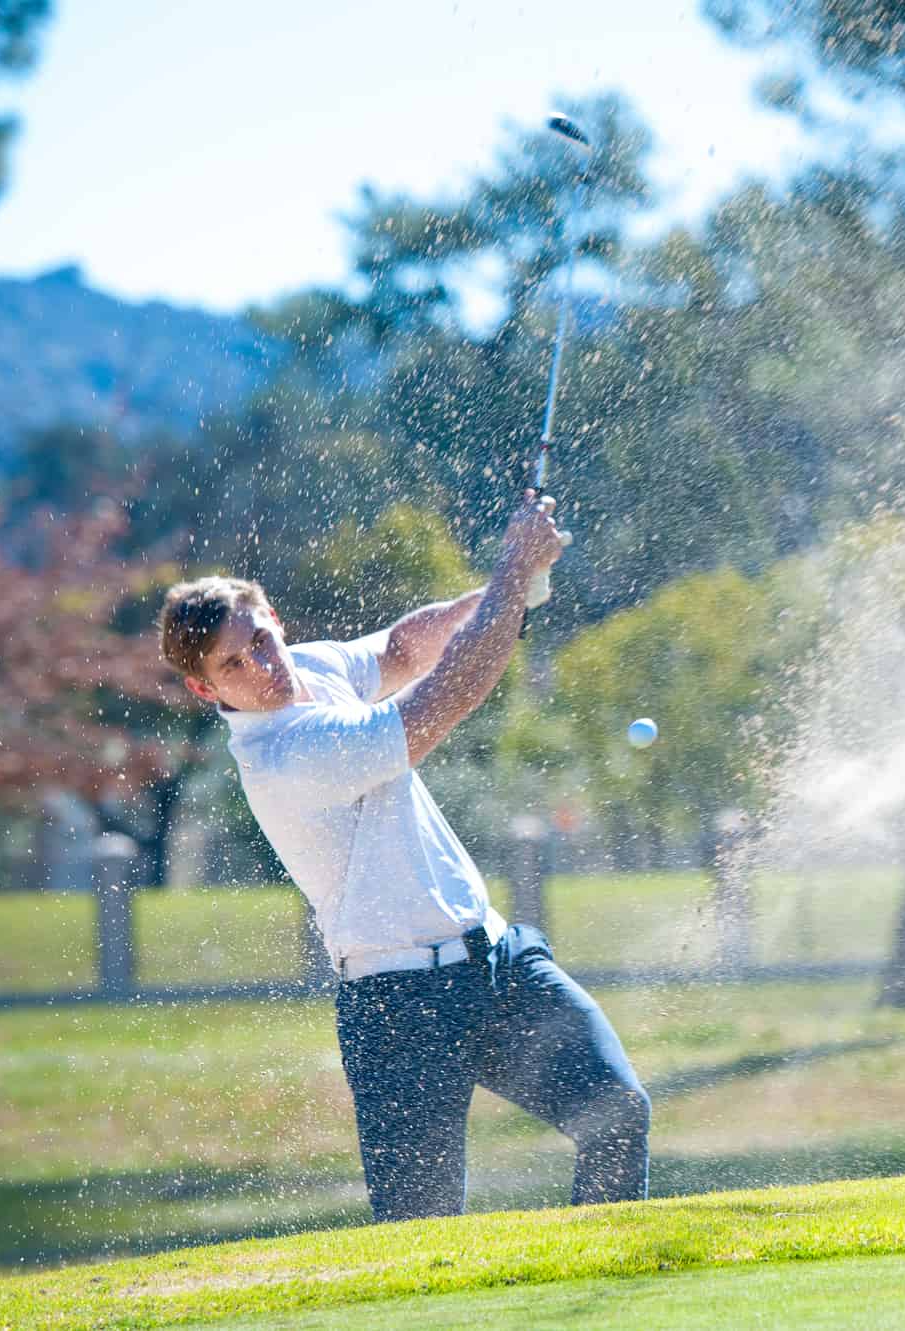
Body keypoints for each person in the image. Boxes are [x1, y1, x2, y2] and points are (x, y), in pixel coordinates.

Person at [155, 494, 649, 1222]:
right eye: (236, 661)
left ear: (275, 621)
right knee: (421, 1234)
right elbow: (438, 704)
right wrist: (512, 577)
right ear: (205, 687)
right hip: (399, 1012)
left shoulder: (311, 670)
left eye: (262, 638)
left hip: (495, 962)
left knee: (618, 1112)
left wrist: (510, 586)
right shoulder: (286, 754)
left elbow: (404, 651)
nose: (264, 664)